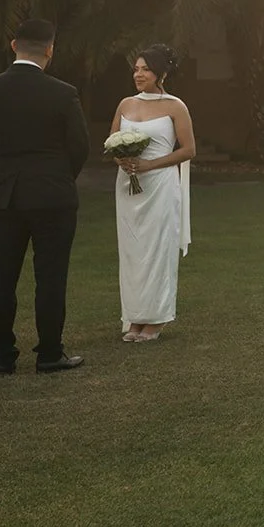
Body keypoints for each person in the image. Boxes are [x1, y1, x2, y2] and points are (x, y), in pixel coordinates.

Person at [0, 19, 91, 374]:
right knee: (51, 277)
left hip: (4, 196)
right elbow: (79, 146)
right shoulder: (63, 92)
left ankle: (3, 357)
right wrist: (58, 177)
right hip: (53, 196)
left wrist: (1, 175)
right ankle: (50, 353)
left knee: (1, 278)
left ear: (13, 46)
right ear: (50, 49)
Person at [109, 44, 196, 343]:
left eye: (145, 69)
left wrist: (149, 165)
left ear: (161, 73)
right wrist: (121, 158)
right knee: (132, 252)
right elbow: (113, 140)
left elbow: (188, 149)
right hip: (128, 186)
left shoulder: (175, 106)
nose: (139, 74)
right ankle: (134, 317)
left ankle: (155, 319)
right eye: (136, 69)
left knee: (158, 250)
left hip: (159, 186)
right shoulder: (125, 104)